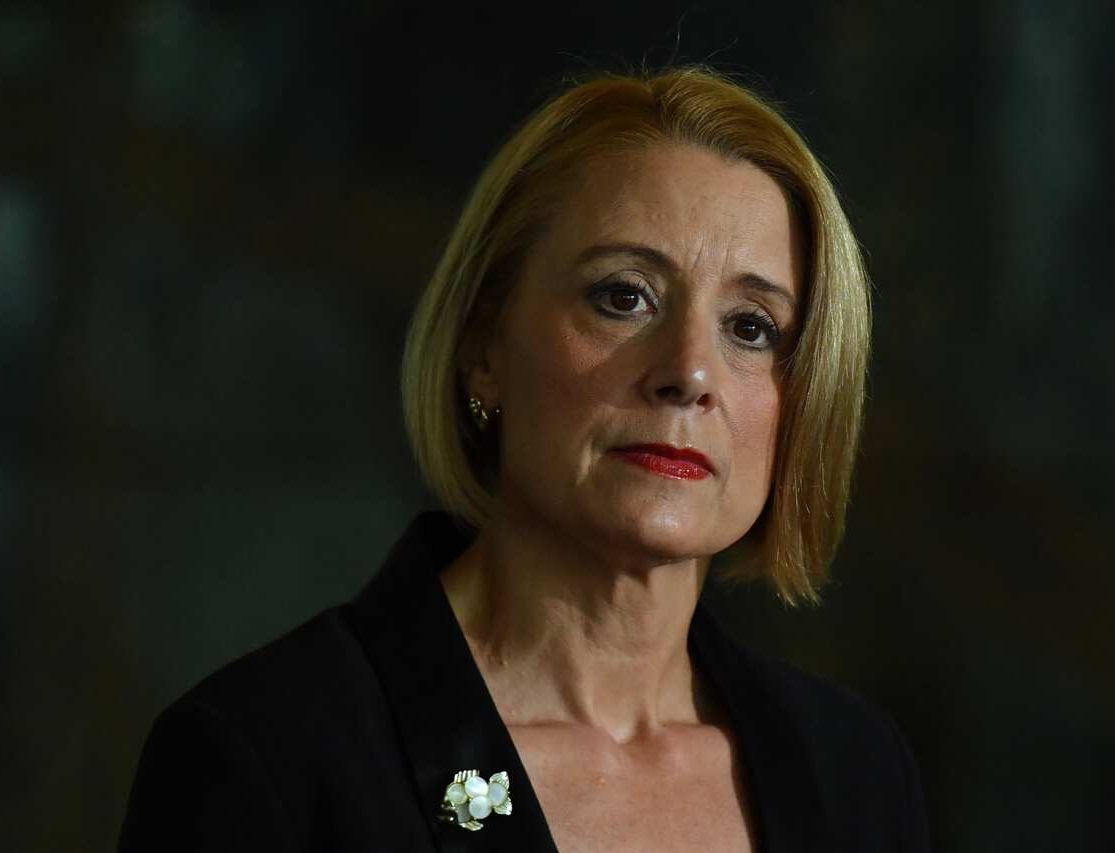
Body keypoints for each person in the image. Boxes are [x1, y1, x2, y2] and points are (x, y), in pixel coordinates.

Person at [119, 66, 930, 852]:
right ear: (484, 349)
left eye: (751, 327)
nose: (687, 372)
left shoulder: (856, 771)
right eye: (624, 295)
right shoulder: (264, 758)